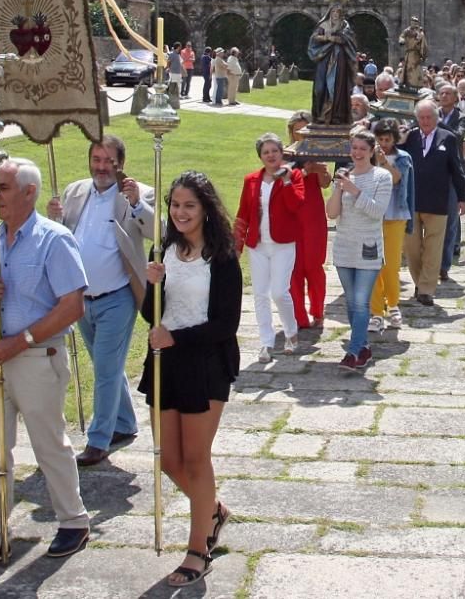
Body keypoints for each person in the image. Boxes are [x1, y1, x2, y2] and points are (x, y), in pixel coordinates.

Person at [0, 158, 89, 571]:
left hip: (36, 357)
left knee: (48, 443)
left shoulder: (54, 240)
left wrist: (21, 341)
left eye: (4, 187)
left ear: (29, 192)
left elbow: (72, 306)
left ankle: (73, 520)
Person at [138, 171, 241, 587]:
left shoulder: (222, 257)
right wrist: (152, 286)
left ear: (205, 210)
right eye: (174, 205)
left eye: (189, 206)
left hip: (206, 363)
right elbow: (151, 315)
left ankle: (198, 549)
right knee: (168, 459)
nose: (180, 213)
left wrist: (175, 338)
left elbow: (225, 324)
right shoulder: (162, 249)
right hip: (164, 361)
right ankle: (212, 510)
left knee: (197, 460)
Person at [46, 136, 153, 467]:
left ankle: (98, 440)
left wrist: (137, 203)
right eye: (97, 159)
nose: (102, 167)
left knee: (106, 368)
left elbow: (156, 231)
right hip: (80, 298)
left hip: (118, 295)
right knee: (107, 365)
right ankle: (124, 422)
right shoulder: (75, 191)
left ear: (121, 163)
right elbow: (63, 237)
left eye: (109, 161)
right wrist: (55, 219)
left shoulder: (137, 193)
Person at [234, 133, 305, 363]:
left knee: (279, 292)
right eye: (266, 152)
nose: (271, 155)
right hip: (258, 244)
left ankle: (291, 332)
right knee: (260, 294)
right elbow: (243, 213)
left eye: (274, 150)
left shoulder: (293, 176)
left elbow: (295, 205)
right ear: (261, 157)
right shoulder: (251, 180)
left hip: (283, 244)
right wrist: (237, 244)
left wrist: (284, 181)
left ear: (281, 152)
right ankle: (266, 341)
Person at [326, 130, 392, 369]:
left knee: (361, 302)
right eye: (354, 148)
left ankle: (352, 352)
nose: (357, 153)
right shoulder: (344, 176)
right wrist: (339, 188)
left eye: (363, 149)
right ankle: (363, 347)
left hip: (368, 248)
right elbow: (332, 213)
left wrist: (354, 190)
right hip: (344, 247)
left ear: (372, 150)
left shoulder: (381, 177)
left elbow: (377, 211)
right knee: (351, 303)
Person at [403, 100, 465, 306]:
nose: (425, 121)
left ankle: (426, 290)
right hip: (411, 201)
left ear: (436, 118)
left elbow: (457, 169)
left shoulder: (447, 138)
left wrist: (462, 196)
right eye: (421, 118)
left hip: (438, 201)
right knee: (412, 247)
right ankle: (419, 281)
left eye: (429, 117)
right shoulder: (409, 137)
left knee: (433, 247)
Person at [286, 110, 331, 330]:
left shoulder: (318, 152)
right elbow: (283, 183)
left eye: (305, 131)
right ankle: (298, 315)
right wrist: (305, 170)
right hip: (292, 216)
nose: (300, 136)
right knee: (294, 267)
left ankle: (318, 310)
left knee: (314, 265)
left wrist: (321, 170)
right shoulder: (286, 154)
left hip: (313, 216)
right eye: (297, 131)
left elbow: (325, 184)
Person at [368, 119, 414, 333]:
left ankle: (393, 304)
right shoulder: (367, 157)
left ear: (395, 139)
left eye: (387, 140)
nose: (384, 143)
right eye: (380, 139)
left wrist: (384, 162)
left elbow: (396, 180)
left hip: (395, 216)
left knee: (391, 266)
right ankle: (376, 311)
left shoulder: (403, 158)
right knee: (373, 267)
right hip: (372, 218)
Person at [436, 83, 465, 281]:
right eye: (442, 93)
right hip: (433, 169)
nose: (445, 96)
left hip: (452, 169)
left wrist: (436, 124)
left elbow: (458, 136)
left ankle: (446, 261)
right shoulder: (431, 114)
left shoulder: (461, 117)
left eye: (448, 93)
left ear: (456, 98)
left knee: (451, 215)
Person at [308, 2, 357, 125]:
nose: (335, 14)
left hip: (339, 59)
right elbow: (314, 38)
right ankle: (320, 114)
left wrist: (339, 38)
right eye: (333, 11)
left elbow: (349, 39)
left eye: (338, 12)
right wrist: (326, 38)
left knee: (337, 87)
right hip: (324, 58)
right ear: (329, 12)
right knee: (320, 88)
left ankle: (335, 115)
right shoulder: (323, 24)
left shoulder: (344, 25)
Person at [399, 16, 428, 89]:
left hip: (416, 54)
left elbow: (423, 44)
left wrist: (423, 55)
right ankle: (406, 83)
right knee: (406, 68)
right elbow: (401, 36)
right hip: (408, 53)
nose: (413, 24)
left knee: (414, 69)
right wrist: (402, 40)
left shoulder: (420, 32)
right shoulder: (407, 31)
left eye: (415, 22)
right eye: (412, 22)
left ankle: (414, 84)